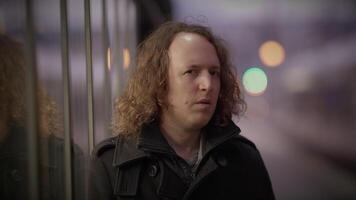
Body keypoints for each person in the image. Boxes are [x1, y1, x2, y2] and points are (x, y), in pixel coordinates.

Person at [89, 21, 275, 200]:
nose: (207, 85)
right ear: (159, 83)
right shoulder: (112, 164)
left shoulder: (244, 158)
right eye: (191, 72)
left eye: (214, 72)